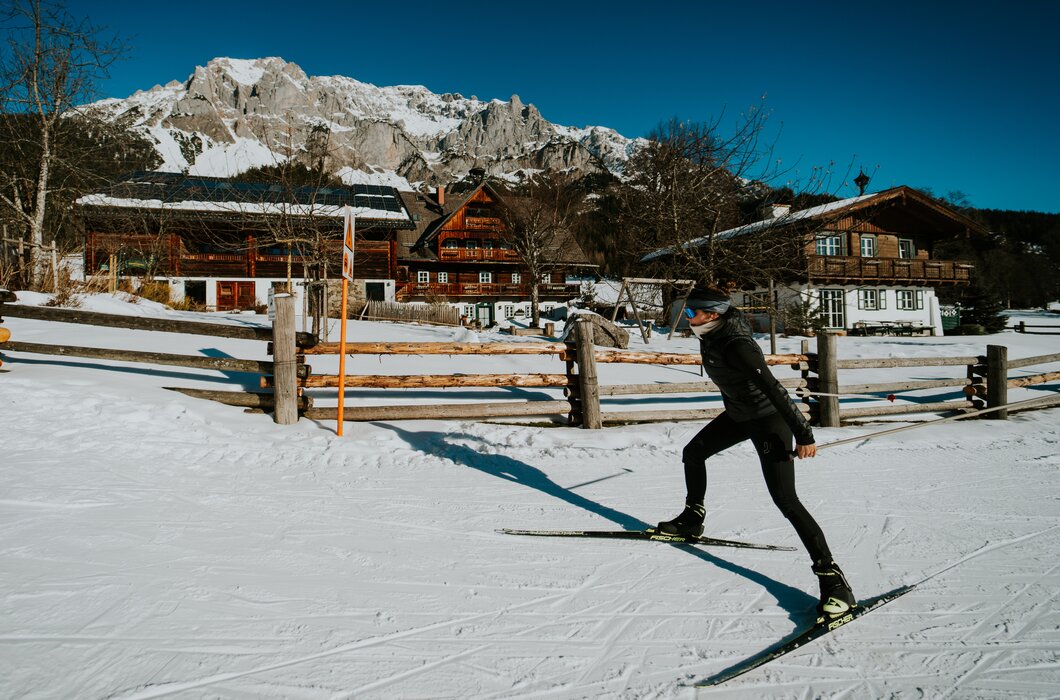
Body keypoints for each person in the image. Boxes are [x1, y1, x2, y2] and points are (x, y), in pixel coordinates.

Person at [658, 286, 856, 621]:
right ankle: (692, 520)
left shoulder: (737, 346)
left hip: (768, 421)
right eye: (685, 312)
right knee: (694, 453)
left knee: (786, 500)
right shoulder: (711, 335)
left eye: (692, 312)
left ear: (713, 313)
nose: (687, 318)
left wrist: (803, 434)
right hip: (739, 415)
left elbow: (775, 390)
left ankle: (834, 582)